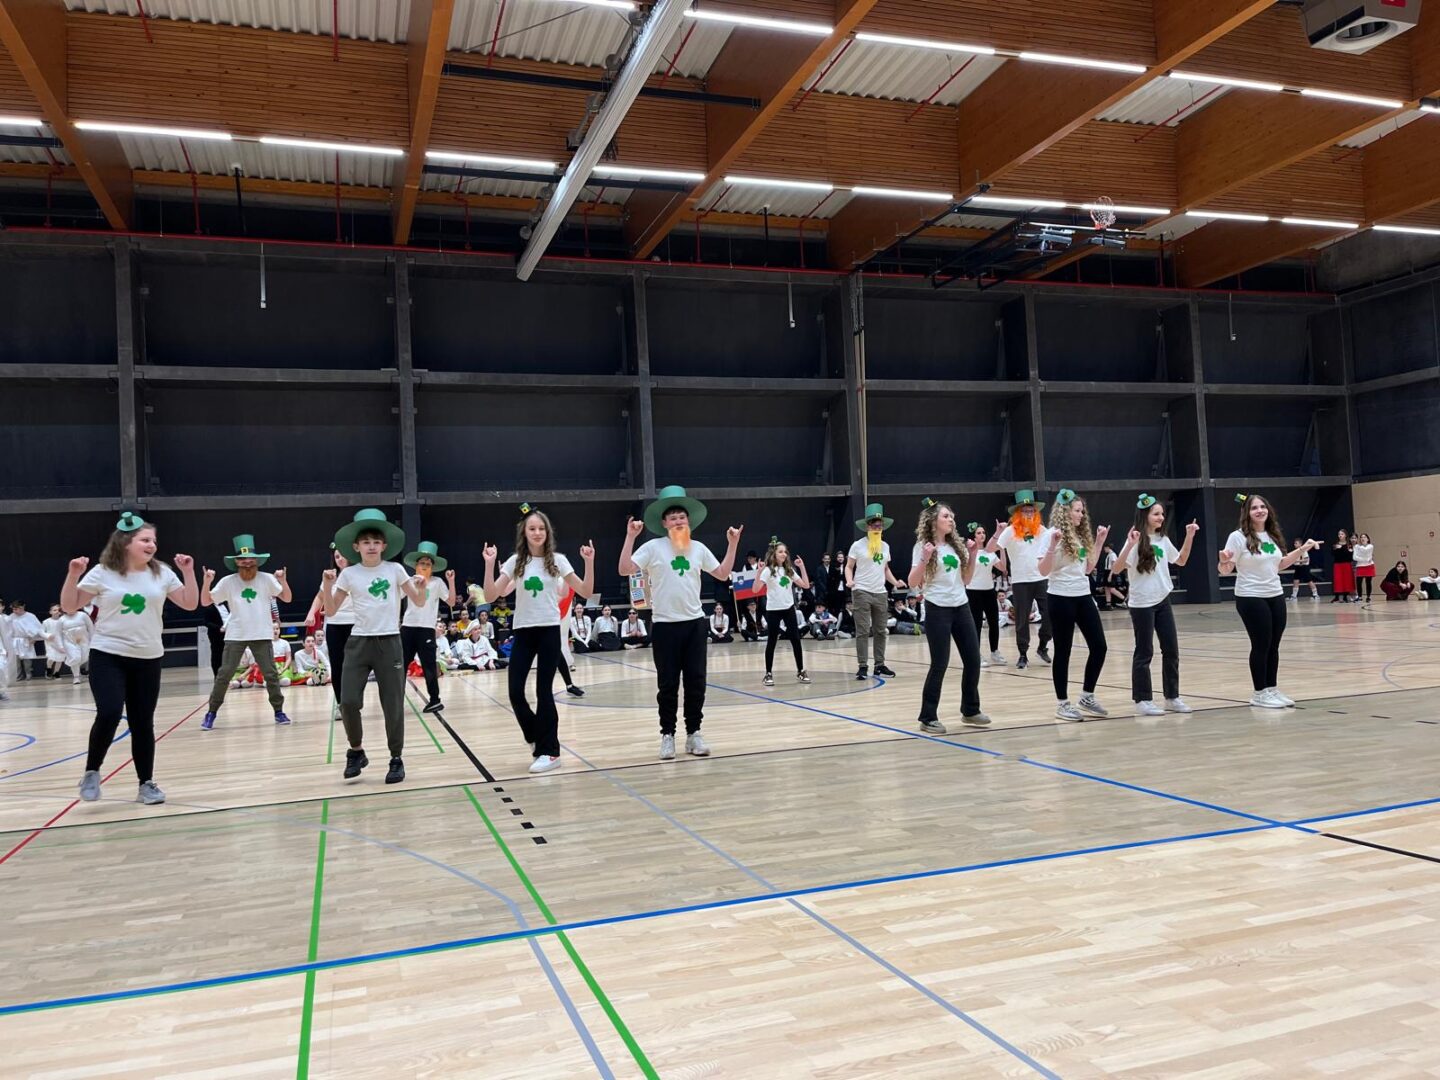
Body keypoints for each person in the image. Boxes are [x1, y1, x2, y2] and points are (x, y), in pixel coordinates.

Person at [62, 512, 199, 805]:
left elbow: (190, 603)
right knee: (109, 712)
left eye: (153, 541)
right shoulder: (102, 572)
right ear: (125, 543)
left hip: (148, 657)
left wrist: (188, 572)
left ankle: (146, 784)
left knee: (142, 722)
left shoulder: (162, 573)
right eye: (145, 540)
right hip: (108, 654)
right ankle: (92, 771)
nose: (152, 545)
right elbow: (70, 606)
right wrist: (73, 575)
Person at [619, 484, 741, 760]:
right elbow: (624, 569)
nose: (677, 521)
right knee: (668, 684)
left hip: (695, 624)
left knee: (696, 681)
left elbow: (723, 573)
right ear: (664, 523)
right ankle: (667, 735)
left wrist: (732, 544)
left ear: (689, 521)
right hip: (664, 626)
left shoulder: (698, 548)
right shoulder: (652, 547)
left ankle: (694, 733)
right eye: (672, 517)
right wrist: (630, 537)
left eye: (682, 517)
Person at [482, 505, 594, 774]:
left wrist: (589, 562)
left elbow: (586, 590)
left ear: (548, 532)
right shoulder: (515, 562)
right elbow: (490, 595)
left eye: (541, 528)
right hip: (523, 631)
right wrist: (489, 564)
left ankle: (550, 752)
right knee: (515, 692)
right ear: (524, 532)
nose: (537, 532)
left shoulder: (558, 561)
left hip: (548, 631)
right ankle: (535, 735)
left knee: (544, 692)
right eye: (532, 528)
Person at [323, 508, 429, 785]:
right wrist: (326, 584)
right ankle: (356, 751)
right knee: (347, 701)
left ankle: (396, 758)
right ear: (356, 547)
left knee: (392, 704)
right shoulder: (349, 574)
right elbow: (331, 611)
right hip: (358, 642)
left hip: (390, 642)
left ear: (384, 546)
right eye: (366, 542)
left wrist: (421, 586)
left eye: (376, 542)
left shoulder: (395, 570)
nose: (371, 546)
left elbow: (418, 602)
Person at [1219, 494, 1322, 709]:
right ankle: (1259, 693)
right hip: (1250, 596)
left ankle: (1271, 689)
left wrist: (1302, 549)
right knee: (1261, 644)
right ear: (1247, 513)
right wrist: (1223, 561)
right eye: (1254, 508)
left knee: (1274, 644)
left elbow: (1280, 564)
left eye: (1262, 506)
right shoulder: (1237, 537)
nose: (1259, 511)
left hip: (1275, 594)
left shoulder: (1272, 535)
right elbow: (1226, 569)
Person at [909, 498, 989, 734]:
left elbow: (966, 579)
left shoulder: (957, 545)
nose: (951, 520)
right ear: (933, 521)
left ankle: (970, 710)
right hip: (937, 608)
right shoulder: (922, 546)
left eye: (952, 516)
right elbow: (913, 582)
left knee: (973, 660)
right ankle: (928, 717)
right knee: (940, 663)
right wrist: (924, 559)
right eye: (946, 516)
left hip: (961, 606)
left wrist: (972, 554)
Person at [1115, 494, 1198, 717]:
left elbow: (1181, 560)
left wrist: (1189, 536)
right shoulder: (1135, 539)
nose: (1161, 517)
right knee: (1144, 652)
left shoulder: (1163, 539)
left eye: (1162, 514)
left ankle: (1172, 697)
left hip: (1163, 600)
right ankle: (1142, 700)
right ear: (1145, 516)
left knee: (1171, 650)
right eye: (1156, 514)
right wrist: (1129, 545)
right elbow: (1116, 568)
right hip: (1141, 604)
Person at [200, 534, 293, 731]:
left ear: (257, 561)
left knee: (271, 674)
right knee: (224, 674)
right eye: (243, 560)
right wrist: (207, 581)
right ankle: (211, 712)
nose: (247, 563)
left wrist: (283, 580)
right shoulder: (227, 581)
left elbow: (287, 598)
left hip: (261, 634)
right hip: (236, 634)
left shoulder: (266, 579)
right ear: (236, 562)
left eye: (251, 560)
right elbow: (206, 601)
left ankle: (278, 711)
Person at [1037, 490, 1110, 722]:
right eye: (1078, 510)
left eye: (1082, 511)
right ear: (1066, 512)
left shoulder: (1080, 536)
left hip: (1083, 596)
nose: (1081, 514)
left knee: (1099, 646)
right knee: (1063, 651)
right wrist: (1052, 545)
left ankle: (1087, 696)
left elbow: (1088, 568)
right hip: (1060, 597)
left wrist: (1099, 541)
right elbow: (1043, 570)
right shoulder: (1050, 535)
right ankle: (1062, 703)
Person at [987, 490, 1053, 671]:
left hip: (1042, 578)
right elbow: (990, 549)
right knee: (1021, 619)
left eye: (1031, 511)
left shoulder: (1042, 530)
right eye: (1025, 511)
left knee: (1051, 614)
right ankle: (1023, 653)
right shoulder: (1009, 531)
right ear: (1018, 513)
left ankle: (1043, 646)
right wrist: (997, 532)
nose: (1029, 514)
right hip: (1021, 581)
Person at [846, 503, 904, 681]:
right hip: (861, 591)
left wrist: (895, 582)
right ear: (867, 527)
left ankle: (879, 665)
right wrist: (849, 580)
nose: (877, 528)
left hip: (880, 592)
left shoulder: (885, 546)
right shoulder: (857, 545)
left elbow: (885, 568)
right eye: (874, 525)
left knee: (881, 630)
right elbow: (849, 566)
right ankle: (863, 666)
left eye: (880, 526)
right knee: (863, 630)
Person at [400, 541, 457, 715]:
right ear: (415, 565)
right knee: (401, 665)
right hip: (408, 627)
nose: (424, 565)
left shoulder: (437, 582)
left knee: (429, 665)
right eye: (422, 562)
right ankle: (396, 700)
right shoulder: (408, 581)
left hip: (426, 629)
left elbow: (451, 601)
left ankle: (435, 700)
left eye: (428, 563)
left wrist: (451, 581)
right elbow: (395, 597)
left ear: (432, 567)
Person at [758, 537, 812, 686]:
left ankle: (800, 671)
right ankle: (768, 673)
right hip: (773, 610)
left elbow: (806, 585)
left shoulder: (789, 570)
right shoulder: (768, 571)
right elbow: (755, 589)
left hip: (788, 609)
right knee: (772, 641)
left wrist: (802, 567)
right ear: (774, 554)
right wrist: (758, 572)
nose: (784, 554)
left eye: (785, 552)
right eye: (780, 552)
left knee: (795, 639)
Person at [307, 546, 355, 710]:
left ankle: (354, 701)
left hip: (356, 624)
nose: (340, 559)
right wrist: (311, 613)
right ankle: (341, 704)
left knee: (356, 665)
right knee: (337, 664)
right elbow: (319, 597)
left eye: (342, 556)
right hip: (334, 624)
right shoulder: (330, 576)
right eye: (336, 557)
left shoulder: (359, 574)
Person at [965, 523, 1005, 667]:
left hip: (989, 591)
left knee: (994, 622)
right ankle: (977, 654)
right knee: (976, 624)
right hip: (973, 591)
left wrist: (1002, 549)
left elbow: (1003, 568)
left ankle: (995, 651)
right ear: (973, 536)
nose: (982, 535)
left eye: (983, 532)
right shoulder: (968, 552)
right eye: (978, 533)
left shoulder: (990, 552)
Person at [8, 601, 43, 681]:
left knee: (27, 659)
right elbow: (8, 630)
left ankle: (28, 673)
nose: (14, 611)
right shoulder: (11, 616)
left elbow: (38, 628)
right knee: (16, 659)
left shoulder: (30, 616)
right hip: (15, 640)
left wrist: (34, 638)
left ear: (22, 607)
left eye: (16, 609)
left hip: (26, 639)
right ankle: (18, 675)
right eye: (13, 609)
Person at [58, 605, 92, 684]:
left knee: (84, 657)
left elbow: (91, 627)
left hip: (84, 640)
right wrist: (60, 645)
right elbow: (58, 634)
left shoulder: (83, 615)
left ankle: (71, 663)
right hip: (69, 642)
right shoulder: (61, 619)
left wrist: (92, 640)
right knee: (75, 658)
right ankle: (76, 676)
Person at [1331, 529, 1355, 603]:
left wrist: (1345, 549)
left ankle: (1345, 596)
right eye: (1339, 534)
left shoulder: (1349, 545)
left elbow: (1350, 556)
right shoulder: (1335, 544)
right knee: (1338, 580)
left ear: (1345, 535)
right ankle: (1337, 597)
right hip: (1338, 564)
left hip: (1346, 564)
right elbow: (1333, 554)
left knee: (1346, 580)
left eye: (1342, 534)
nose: (1340, 535)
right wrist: (1336, 549)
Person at [42, 604, 67, 679]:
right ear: (50, 612)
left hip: (61, 642)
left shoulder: (63, 620)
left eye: (58, 610)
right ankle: (49, 669)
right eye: (54, 610)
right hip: (50, 642)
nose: (56, 612)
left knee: (60, 658)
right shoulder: (46, 622)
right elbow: (41, 632)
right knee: (51, 657)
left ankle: (56, 672)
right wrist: (48, 636)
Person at [1353, 532, 1375, 604]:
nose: (1363, 538)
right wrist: (1365, 559)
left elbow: (1365, 551)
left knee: (1368, 582)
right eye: (1361, 537)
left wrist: (1359, 553)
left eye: (1364, 537)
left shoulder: (1370, 546)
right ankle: (1360, 597)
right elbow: (1354, 557)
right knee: (1359, 582)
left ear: (1368, 539)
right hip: (1360, 566)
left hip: (1369, 566)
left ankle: (1368, 597)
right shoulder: (1356, 546)